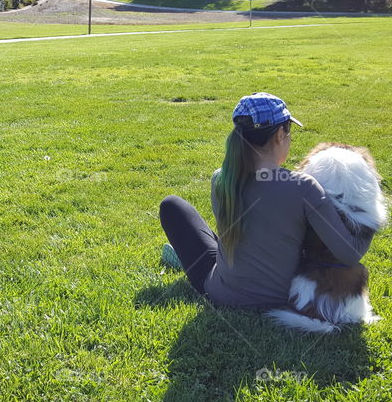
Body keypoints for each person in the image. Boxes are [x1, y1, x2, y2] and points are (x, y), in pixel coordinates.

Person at [158, 93, 373, 309]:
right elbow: (349, 253)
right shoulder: (304, 187)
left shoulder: (221, 178)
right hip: (282, 300)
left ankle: (184, 259)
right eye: (290, 133)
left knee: (173, 206)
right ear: (280, 134)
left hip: (221, 292)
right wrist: (369, 210)